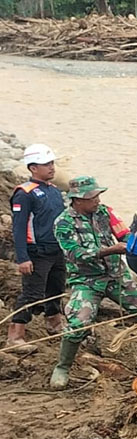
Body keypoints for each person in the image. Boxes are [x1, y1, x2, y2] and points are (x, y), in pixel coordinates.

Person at [50, 177, 137, 390]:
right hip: (87, 281)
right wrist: (111, 250)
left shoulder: (104, 212)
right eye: (91, 197)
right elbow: (76, 255)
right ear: (77, 200)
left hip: (116, 276)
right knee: (79, 323)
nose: (97, 200)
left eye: (97, 195)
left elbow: (123, 232)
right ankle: (63, 366)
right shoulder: (63, 222)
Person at [7, 144, 66, 354]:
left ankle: (54, 323)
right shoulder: (25, 193)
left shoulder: (54, 191)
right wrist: (23, 258)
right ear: (33, 168)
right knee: (32, 294)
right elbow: (19, 227)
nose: (51, 168)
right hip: (37, 252)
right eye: (46, 164)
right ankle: (15, 334)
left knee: (56, 289)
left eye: (51, 163)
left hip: (56, 250)